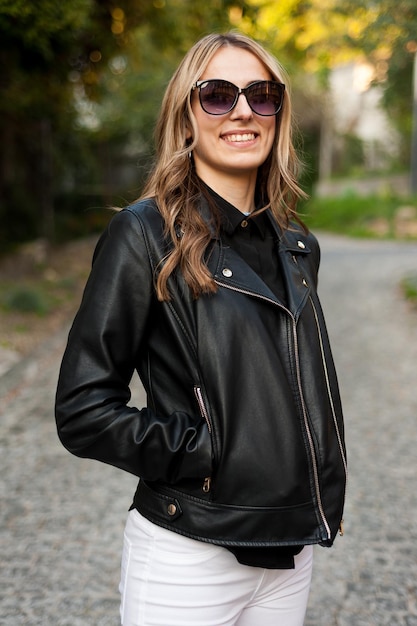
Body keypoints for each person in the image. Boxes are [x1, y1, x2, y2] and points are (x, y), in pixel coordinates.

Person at [55, 31, 347, 626]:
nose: (243, 110)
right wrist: (209, 451)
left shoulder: (297, 244)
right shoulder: (142, 236)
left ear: (278, 113)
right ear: (187, 116)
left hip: (288, 548)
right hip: (187, 557)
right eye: (217, 94)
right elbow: (83, 407)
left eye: (261, 94)